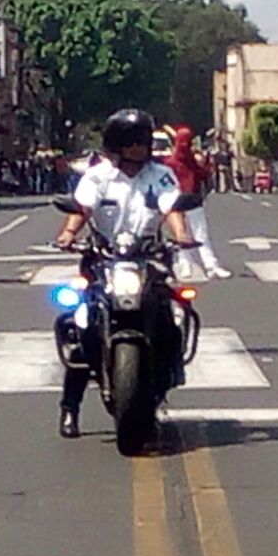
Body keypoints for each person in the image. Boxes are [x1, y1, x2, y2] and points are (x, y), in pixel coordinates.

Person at [53, 108, 195, 439]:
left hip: (149, 256)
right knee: (81, 327)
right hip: (102, 258)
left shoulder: (160, 175)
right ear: (116, 144)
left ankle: (160, 388)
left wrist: (182, 235)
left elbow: (171, 208)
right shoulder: (97, 177)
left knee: (168, 319)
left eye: (142, 142)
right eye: (130, 143)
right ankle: (70, 407)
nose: (138, 149)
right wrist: (68, 235)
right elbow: (82, 208)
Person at [164, 126, 231, 279]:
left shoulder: (191, 161)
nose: (185, 146)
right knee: (181, 235)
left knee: (201, 234)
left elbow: (203, 175)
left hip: (193, 201)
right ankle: (186, 264)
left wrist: (206, 163)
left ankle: (211, 265)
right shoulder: (169, 164)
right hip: (177, 203)